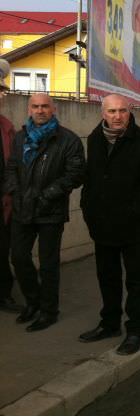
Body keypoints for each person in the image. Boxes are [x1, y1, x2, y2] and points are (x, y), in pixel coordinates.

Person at [79, 94, 140, 355]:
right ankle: (110, 323)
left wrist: (133, 210)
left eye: (122, 111)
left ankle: (136, 330)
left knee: (136, 280)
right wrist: (88, 209)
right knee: (108, 277)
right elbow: (91, 178)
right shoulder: (94, 139)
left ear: (130, 111)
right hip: (101, 224)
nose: (117, 116)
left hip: (132, 226)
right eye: (112, 111)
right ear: (103, 113)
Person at [4, 93, 85, 331]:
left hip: (51, 210)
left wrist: (46, 195)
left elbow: (75, 174)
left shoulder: (67, 140)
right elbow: (11, 168)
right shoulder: (20, 138)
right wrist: (16, 192)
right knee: (18, 257)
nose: (40, 111)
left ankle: (49, 311)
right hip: (22, 209)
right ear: (29, 109)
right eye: (36, 107)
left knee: (49, 264)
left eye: (45, 107)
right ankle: (33, 302)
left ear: (54, 109)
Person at [0, 59, 21, 313]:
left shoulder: (6, 127)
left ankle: (3, 294)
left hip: (3, 200)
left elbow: (14, 164)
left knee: (1, 249)